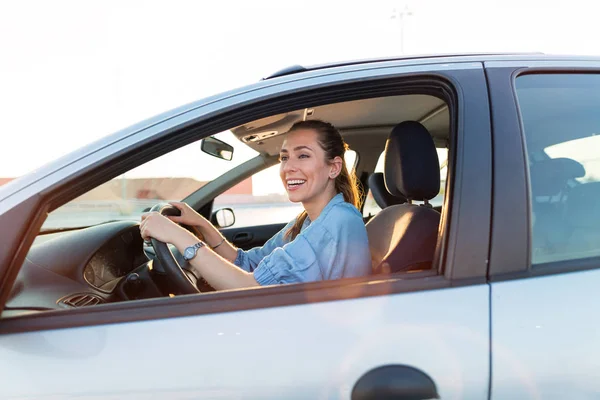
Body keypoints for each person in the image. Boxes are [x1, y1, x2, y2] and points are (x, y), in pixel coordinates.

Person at [140, 120, 371, 290]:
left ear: (334, 167)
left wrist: (178, 236)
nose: (288, 167)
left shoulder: (337, 221)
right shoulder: (310, 221)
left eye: (303, 156)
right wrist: (200, 224)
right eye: (284, 158)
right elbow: (247, 263)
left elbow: (248, 288)